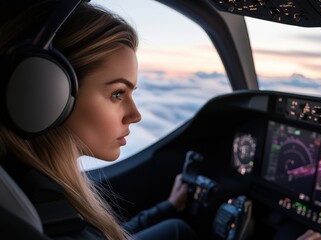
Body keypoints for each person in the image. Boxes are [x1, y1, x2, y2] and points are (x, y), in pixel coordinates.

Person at [0, 0, 197, 239]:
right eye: (117, 94)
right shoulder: (53, 222)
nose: (136, 115)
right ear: (45, 91)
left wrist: (168, 208)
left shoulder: (22, 184)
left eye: (132, 93)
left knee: (176, 229)